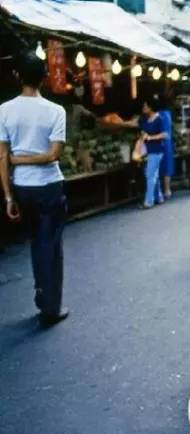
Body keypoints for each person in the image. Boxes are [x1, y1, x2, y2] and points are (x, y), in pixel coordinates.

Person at [0, 52, 69, 325]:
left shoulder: (4, 110)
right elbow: (54, 155)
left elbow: (2, 157)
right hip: (50, 186)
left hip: (22, 187)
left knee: (35, 243)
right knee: (50, 246)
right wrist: (24, 159)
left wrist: (8, 196)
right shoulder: (56, 111)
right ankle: (50, 306)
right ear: (45, 77)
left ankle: (42, 293)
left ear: (17, 77)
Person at [138, 95, 167, 208]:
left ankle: (148, 201)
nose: (143, 108)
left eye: (145, 106)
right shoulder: (145, 119)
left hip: (156, 150)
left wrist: (151, 137)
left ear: (151, 108)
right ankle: (159, 197)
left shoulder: (159, 119)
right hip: (148, 150)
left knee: (150, 175)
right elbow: (142, 130)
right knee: (151, 174)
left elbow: (165, 134)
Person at [158, 96, 174, 199]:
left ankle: (161, 190)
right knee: (167, 167)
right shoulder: (168, 114)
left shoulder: (158, 115)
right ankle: (167, 190)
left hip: (159, 142)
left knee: (159, 167)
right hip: (168, 142)